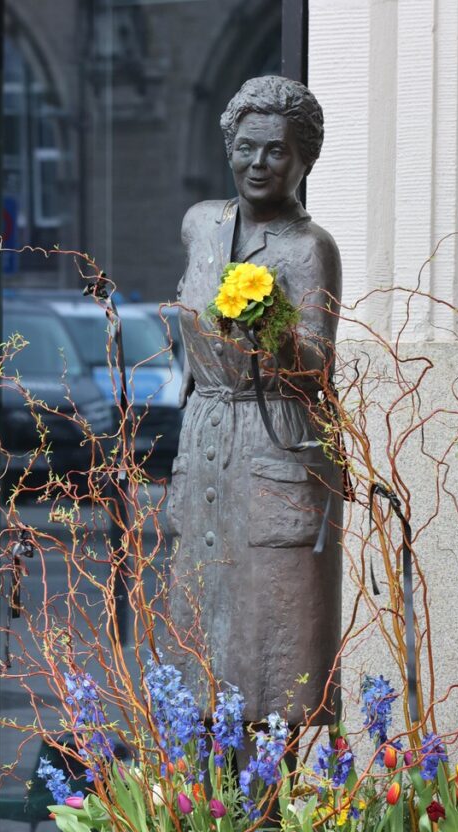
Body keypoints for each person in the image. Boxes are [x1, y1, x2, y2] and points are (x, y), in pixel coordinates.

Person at [166, 75, 343, 730]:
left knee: (276, 655)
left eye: (275, 151)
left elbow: (316, 364)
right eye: (246, 147)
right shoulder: (201, 227)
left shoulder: (308, 248)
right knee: (199, 647)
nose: (258, 164)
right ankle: (206, 814)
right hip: (208, 436)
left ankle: (270, 815)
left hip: (276, 441)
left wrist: (267, 323)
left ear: (304, 160)